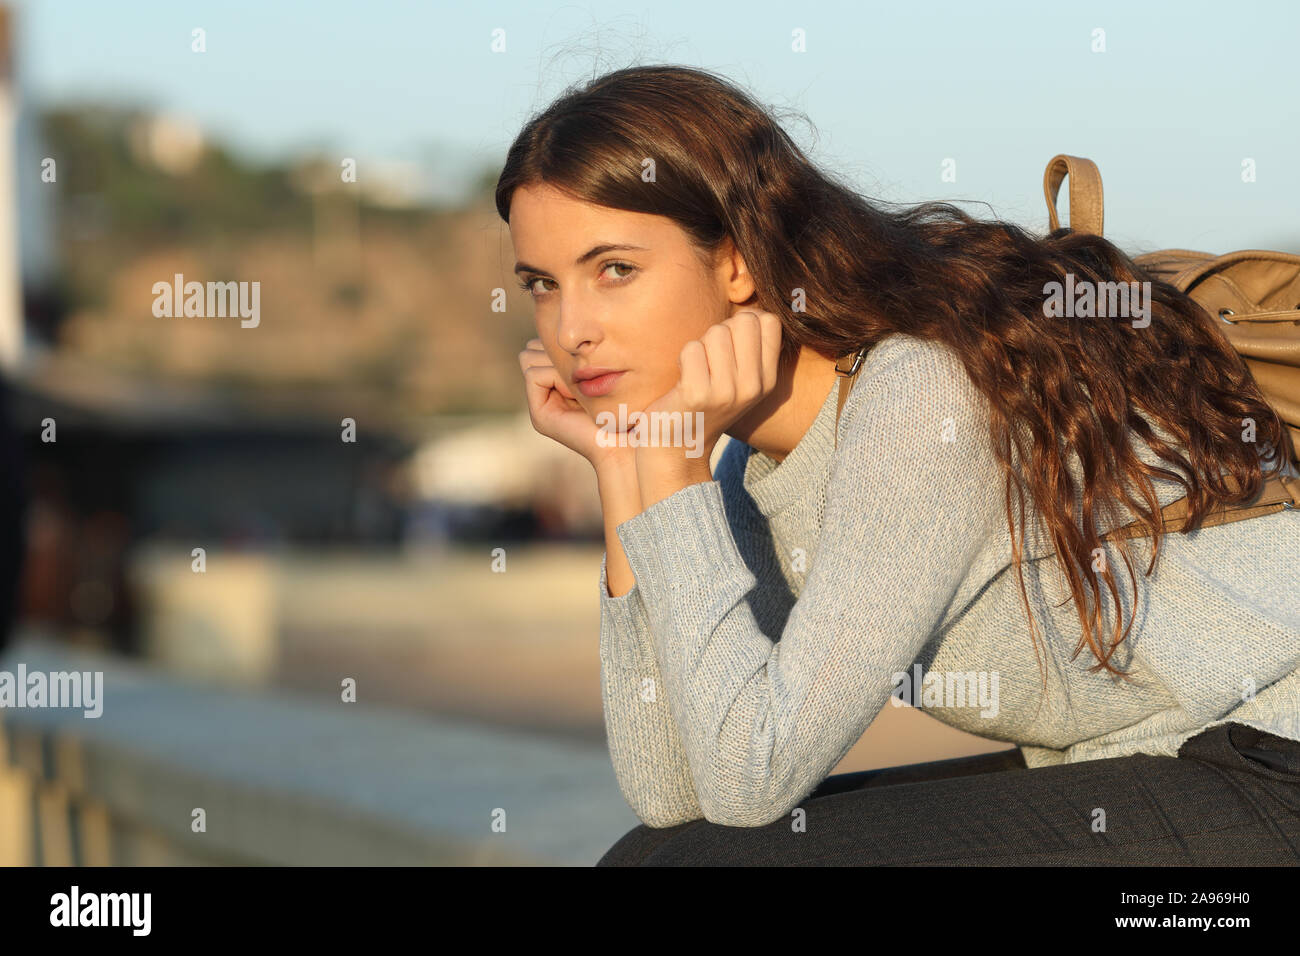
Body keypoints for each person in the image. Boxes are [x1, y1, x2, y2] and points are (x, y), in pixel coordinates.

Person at [498, 64, 1300, 865]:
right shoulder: (753, 464)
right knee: (661, 856)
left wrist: (672, 471)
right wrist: (621, 470)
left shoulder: (918, 391)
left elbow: (752, 781)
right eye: (542, 284)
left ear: (738, 260)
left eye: (614, 270)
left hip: (1271, 763)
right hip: (1149, 761)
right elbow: (675, 793)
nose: (572, 329)